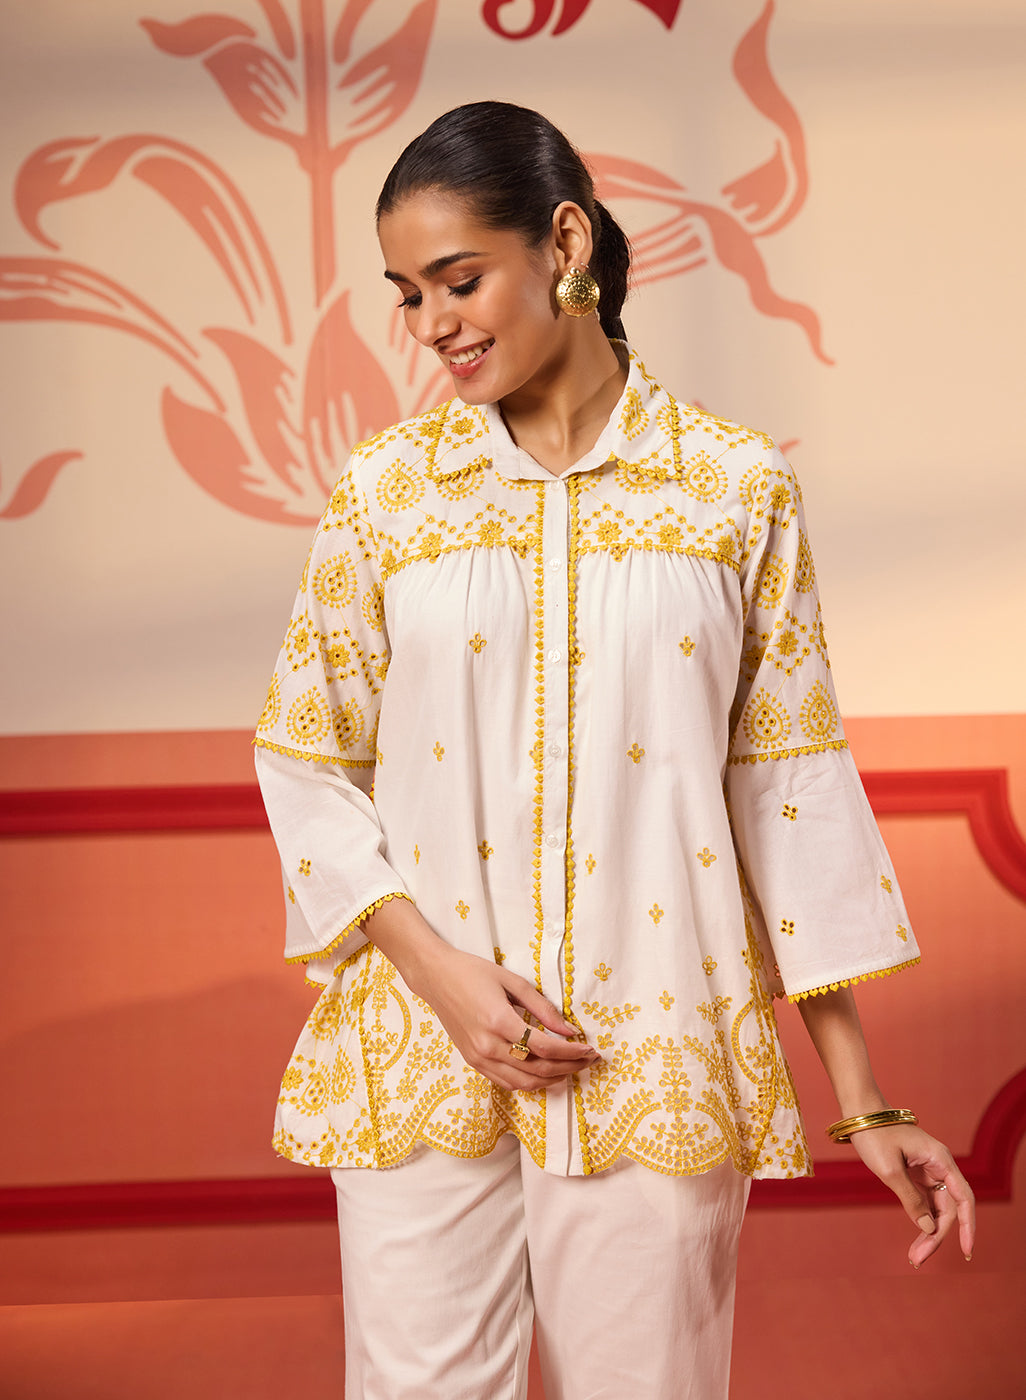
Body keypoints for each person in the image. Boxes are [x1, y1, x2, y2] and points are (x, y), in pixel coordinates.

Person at [254, 101, 975, 1400]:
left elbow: (784, 786)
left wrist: (861, 1097)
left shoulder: (733, 487)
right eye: (406, 296)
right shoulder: (386, 493)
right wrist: (442, 976)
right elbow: (307, 758)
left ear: (564, 241)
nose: (431, 327)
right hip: (425, 1045)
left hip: (655, 1048)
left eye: (458, 280)